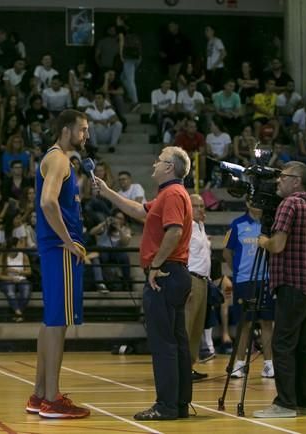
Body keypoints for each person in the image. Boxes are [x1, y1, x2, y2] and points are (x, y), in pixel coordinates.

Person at [95, 145, 193, 420]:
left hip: (165, 274)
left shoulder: (172, 194)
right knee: (176, 342)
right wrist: (107, 191)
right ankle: (179, 404)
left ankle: (166, 406)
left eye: (159, 161)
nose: (154, 164)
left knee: (163, 345)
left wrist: (156, 264)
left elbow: (172, 232)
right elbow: (140, 212)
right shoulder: (169, 193)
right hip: (175, 273)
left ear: (169, 168)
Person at [26, 109, 90, 419]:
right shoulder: (59, 159)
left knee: (50, 322)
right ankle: (52, 398)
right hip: (60, 249)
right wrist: (67, 240)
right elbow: (47, 202)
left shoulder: (57, 159)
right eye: (82, 129)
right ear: (66, 130)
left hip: (53, 249)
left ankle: (39, 394)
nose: (85, 136)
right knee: (59, 323)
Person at [255, 161, 306, 418]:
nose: (278, 181)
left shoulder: (289, 204)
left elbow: (277, 245)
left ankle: (284, 403)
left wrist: (263, 240)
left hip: (291, 284)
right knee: (303, 345)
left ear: (296, 180)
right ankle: (304, 400)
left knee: (282, 343)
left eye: (283, 177)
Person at [224, 200, 275, 379]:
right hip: (244, 281)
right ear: (247, 202)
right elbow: (227, 253)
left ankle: (269, 364)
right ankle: (239, 364)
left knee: (267, 322)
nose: (258, 204)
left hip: (267, 280)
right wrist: (238, 272)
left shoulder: (270, 224)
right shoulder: (237, 224)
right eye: (254, 201)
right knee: (244, 323)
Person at [186, 194, 211, 381]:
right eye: (197, 206)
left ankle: (190, 366)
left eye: (203, 206)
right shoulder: (186, 227)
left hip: (204, 280)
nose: (201, 209)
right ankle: (182, 367)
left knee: (197, 327)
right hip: (191, 278)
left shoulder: (201, 226)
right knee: (187, 326)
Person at [0, 236, 32, 322]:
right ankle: (19, 313)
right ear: (13, 246)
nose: (22, 244)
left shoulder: (24, 255)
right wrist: (11, 278)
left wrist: (17, 272)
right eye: (20, 243)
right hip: (7, 279)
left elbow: (29, 272)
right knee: (10, 292)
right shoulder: (3, 256)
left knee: (26, 292)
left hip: (21, 278)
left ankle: (17, 313)